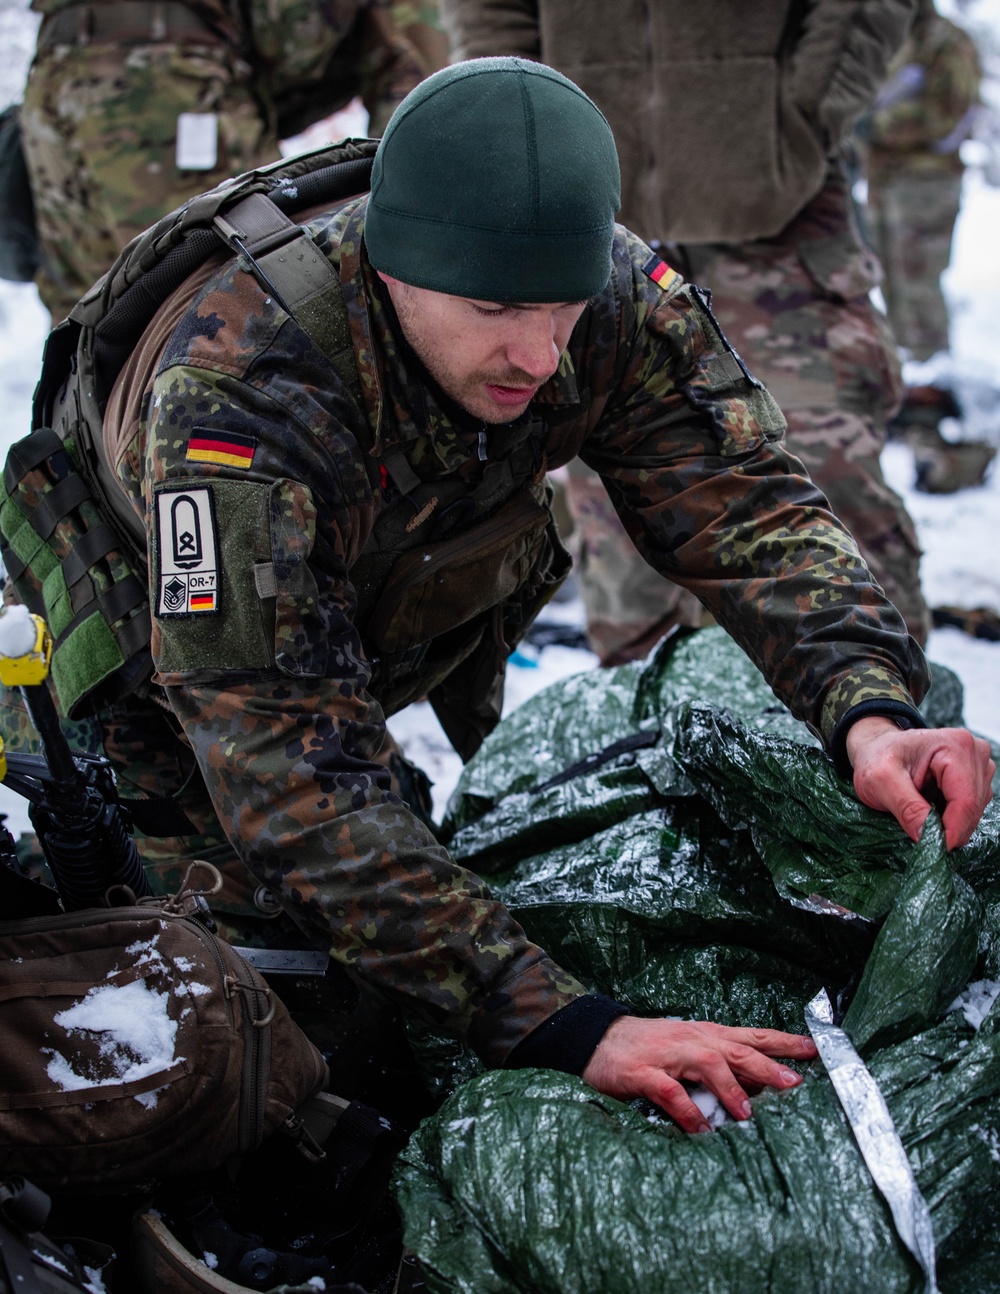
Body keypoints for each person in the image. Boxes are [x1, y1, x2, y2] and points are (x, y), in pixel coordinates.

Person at [5, 58, 994, 1135]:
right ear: (393, 270)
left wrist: (869, 709)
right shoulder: (241, 395)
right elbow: (287, 770)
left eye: (562, 308)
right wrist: (570, 1026)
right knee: (258, 1041)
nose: (537, 353)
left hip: (365, 582)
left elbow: (744, 509)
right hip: (161, 652)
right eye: (493, 309)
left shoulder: (608, 293)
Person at [441, 0, 933, 654]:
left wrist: (802, 118)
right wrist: (531, 116)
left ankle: (885, 727)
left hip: (779, 217)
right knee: (623, 512)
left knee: (826, 485)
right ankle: (660, 732)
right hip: (592, 209)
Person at [19, 0, 447, 323]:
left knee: (90, 324)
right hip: (163, 83)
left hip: (54, 75)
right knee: (248, 305)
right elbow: (294, 33)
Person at [862, 0, 995, 493]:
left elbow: (948, 113)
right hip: (885, 184)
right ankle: (906, 386)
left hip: (927, 186)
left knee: (919, 289)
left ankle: (931, 389)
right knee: (889, 286)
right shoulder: (887, 38)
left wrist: (876, 126)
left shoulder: (946, 41)